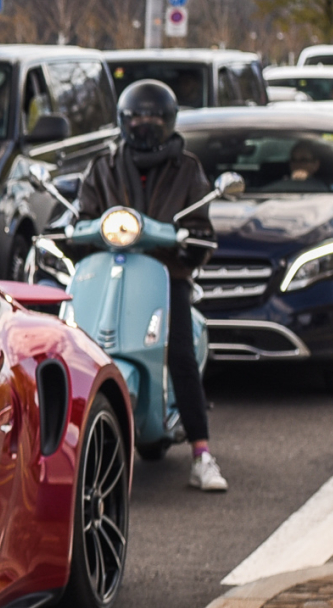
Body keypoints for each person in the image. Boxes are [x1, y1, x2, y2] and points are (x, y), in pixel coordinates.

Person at [78, 78, 225, 492]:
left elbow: (201, 229)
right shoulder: (103, 166)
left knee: (178, 351)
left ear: (169, 121)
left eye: (154, 116)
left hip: (165, 275)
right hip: (109, 269)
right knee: (81, 348)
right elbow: (82, 213)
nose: (145, 124)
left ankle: (201, 453)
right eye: (137, 116)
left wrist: (186, 243)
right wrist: (74, 230)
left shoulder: (188, 169)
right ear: (123, 121)